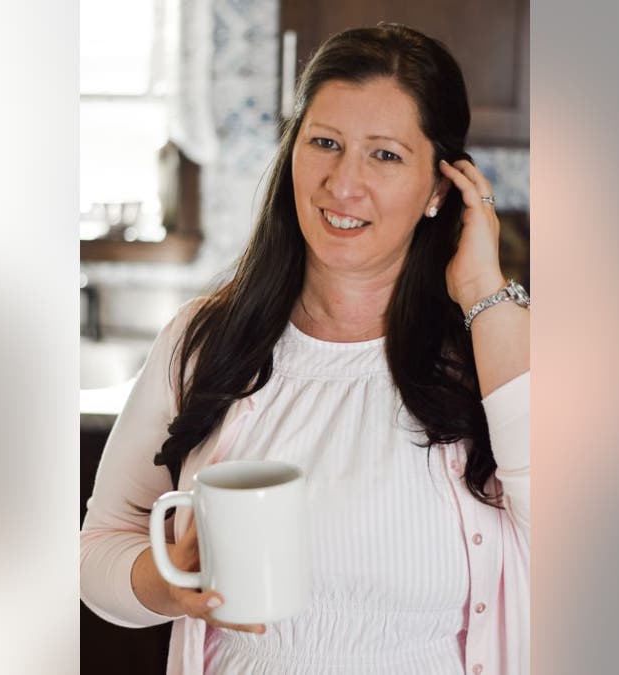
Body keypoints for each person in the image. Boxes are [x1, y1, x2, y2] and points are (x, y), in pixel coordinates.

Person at [81, 23, 530, 675]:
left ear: (440, 187)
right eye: (324, 143)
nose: (342, 184)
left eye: (385, 155)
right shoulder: (202, 341)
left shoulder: (491, 354)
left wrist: (485, 291)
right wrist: (163, 581)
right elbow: (98, 546)